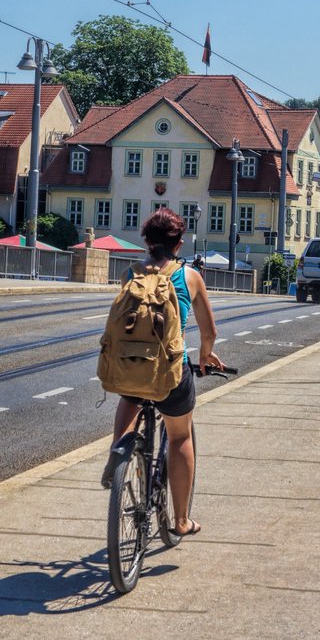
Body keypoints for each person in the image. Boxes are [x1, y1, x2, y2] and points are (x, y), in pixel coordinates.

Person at [105, 207, 222, 536]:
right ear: (179, 244)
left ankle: (120, 455)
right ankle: (181, 521)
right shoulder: (190, 277)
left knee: (131, 397)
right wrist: (206, 355)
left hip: (131, 366)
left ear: (146, 241)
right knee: (180, 435)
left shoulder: (131, 274)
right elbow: (209, 331)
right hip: (170, 372)